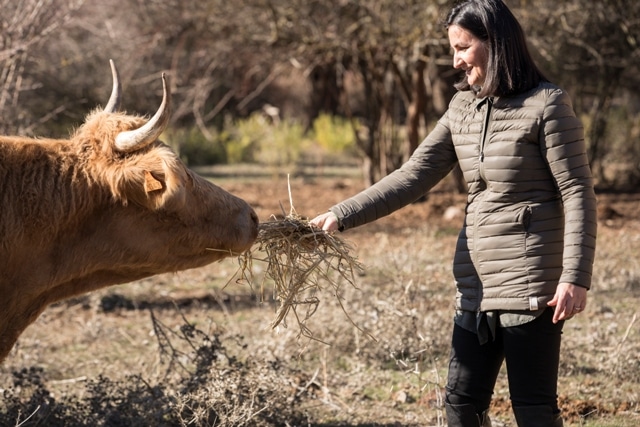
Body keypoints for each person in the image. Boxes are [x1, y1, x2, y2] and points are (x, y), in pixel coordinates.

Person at [309, 0, 597, 426]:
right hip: (474, 284)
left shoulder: (546, 105)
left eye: (463, 47)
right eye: (453, 49)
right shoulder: (462, 109)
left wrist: (574, 276)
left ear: (495, 44)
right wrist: (341, 213)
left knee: (533, 409)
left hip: (531, 284)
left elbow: (577, 192)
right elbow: (415, 174)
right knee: (461, 404)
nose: (457, 60)